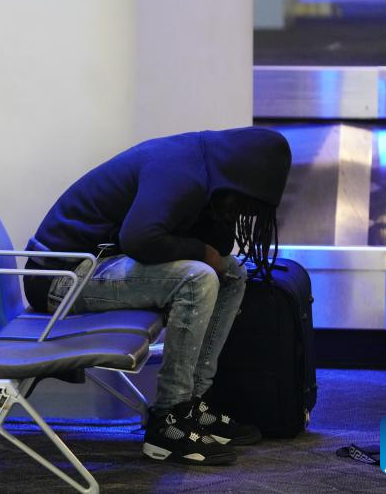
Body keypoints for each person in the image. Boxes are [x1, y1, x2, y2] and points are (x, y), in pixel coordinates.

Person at [24, 126, 291, 466]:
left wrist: (215, 228)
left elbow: (219, 248)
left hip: (96, 263)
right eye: (247, 204)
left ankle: (192, 404)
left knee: (233, 273)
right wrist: (201, 251)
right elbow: (140, 238)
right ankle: (169, 419)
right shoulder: (181, 172)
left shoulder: (204, 168)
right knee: (197, 278)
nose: (246, 213)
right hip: (60, 278)